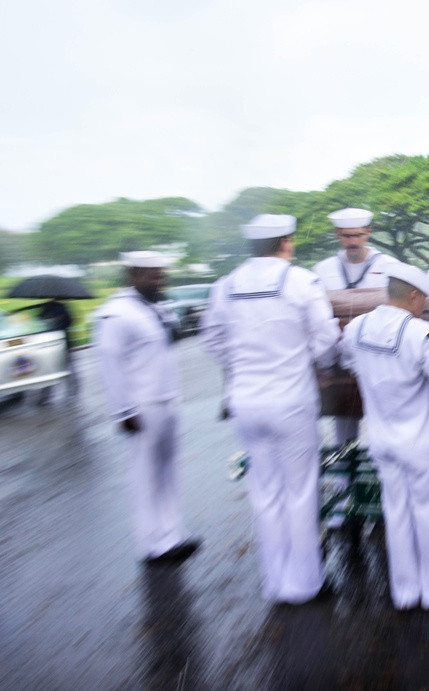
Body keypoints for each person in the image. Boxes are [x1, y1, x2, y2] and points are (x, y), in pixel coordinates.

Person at [202, 214, 341, 604]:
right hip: (291, 399)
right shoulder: (300, 281)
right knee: (301, 492)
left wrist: (241, 364)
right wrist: (315, 364)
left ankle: (277, 582)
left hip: (246, 400)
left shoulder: (225, 286)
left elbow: (211, 338)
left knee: (264, 493)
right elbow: (327, 337)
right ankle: (306, 583)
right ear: (286, 242)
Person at [338, 263, 429, 611]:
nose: (424, 306)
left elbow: (349, 362)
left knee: (396, 514)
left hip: (379, 439)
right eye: (422, 299)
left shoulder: (356, 327)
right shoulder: (423, 333)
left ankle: (405, 593)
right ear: (412, 295)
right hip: (419, 441)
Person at [93, 251, 201, 565]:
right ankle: (151, 544)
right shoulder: (116, 313)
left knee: (167, 473)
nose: (160, 281)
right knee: (145, 477)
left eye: (162, 275)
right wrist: (123, 411)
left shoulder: (154, 307)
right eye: (153, 276)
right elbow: (111, 366)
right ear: (134, 275)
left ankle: (172, 535)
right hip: (141, 406)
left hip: (166, 400)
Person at [313, 207, 399, 448]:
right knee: (343, 419)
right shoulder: (322, 270)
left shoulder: (389, 266)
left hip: (379, 356)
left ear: (368, 233)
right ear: (337, 235)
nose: (352, 241)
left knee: (386, 421)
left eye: (357, 235)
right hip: (336, 358)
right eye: (346, 236)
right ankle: (345, 478)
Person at [37, 299, 77, 404]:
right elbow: (71, 321)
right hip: (55, 342)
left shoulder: (56, 307)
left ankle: (71, 391)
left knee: (62, 368)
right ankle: (72, 391)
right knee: (64, 368)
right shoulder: (56, 307)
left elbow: (69, 321)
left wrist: (56, 319)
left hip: (59, 342)